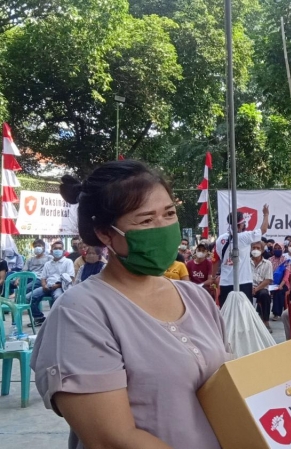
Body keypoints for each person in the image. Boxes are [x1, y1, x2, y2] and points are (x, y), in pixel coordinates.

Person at [31, 160, 230, 449]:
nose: (162, 228)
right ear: (105, 234)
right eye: (146, 220)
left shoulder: (196, 298)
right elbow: (113, 439)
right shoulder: (80, 314)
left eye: (169, 214)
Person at [212, 205, 269, 307]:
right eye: (243, 222)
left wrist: (213, 277)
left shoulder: (220, 239)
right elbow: (263, 229)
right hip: (243, 282)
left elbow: (215, 260)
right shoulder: (244, 237)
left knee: (227, 314)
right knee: (244, 314)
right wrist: (266, 214)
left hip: (225, 283)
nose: (244, 224)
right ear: (241, 224)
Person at [28, 241, 75, 326]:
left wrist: (57, 285)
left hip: (60, 286)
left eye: (60, 248)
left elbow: (70, 278)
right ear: (51, 250)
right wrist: (44, 285)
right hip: (47, 286)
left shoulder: (68, 262)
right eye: (55, 248)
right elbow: (43, 277)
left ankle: (55, 320)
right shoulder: (48, 264)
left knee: (58, 297)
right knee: (29, 297)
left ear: (63, 251)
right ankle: (39, 318)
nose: (57, 250)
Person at [251, 241, 273, 332]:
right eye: (254, 248)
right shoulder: (246, 262)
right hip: (248, 287)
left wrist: (256, 289)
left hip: (261, 288)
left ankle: (266, 321)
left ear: (262, 250)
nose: (255, 250)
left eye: (258, 248)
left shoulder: (268, 263)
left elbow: (268, 280)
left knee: (265, 295)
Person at [269, 242, 289, 320]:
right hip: (270, 282)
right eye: (275, 249)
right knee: (263, 292)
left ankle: (276, 313)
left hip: (283, 283)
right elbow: (267, 273)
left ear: (283, 249)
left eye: (279, 248)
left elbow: (286, 275)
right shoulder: (269, 260)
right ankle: (262, 313)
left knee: (279, 292)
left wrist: (280, 285)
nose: (277, 250)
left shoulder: (286, 260)